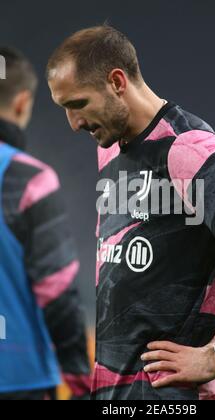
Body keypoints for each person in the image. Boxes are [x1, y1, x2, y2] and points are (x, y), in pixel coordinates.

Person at [47, 25, 215, 400]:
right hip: (121, 393)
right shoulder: (111, 145)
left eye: (78, 104)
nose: (74, 123)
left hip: (177, 396)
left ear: (117, 82)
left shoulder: (186, 147)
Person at [0, 47, 91, 400]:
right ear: (22, 102)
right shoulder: (30, 180)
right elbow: (57, 289)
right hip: (19, 377)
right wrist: (80, 380)